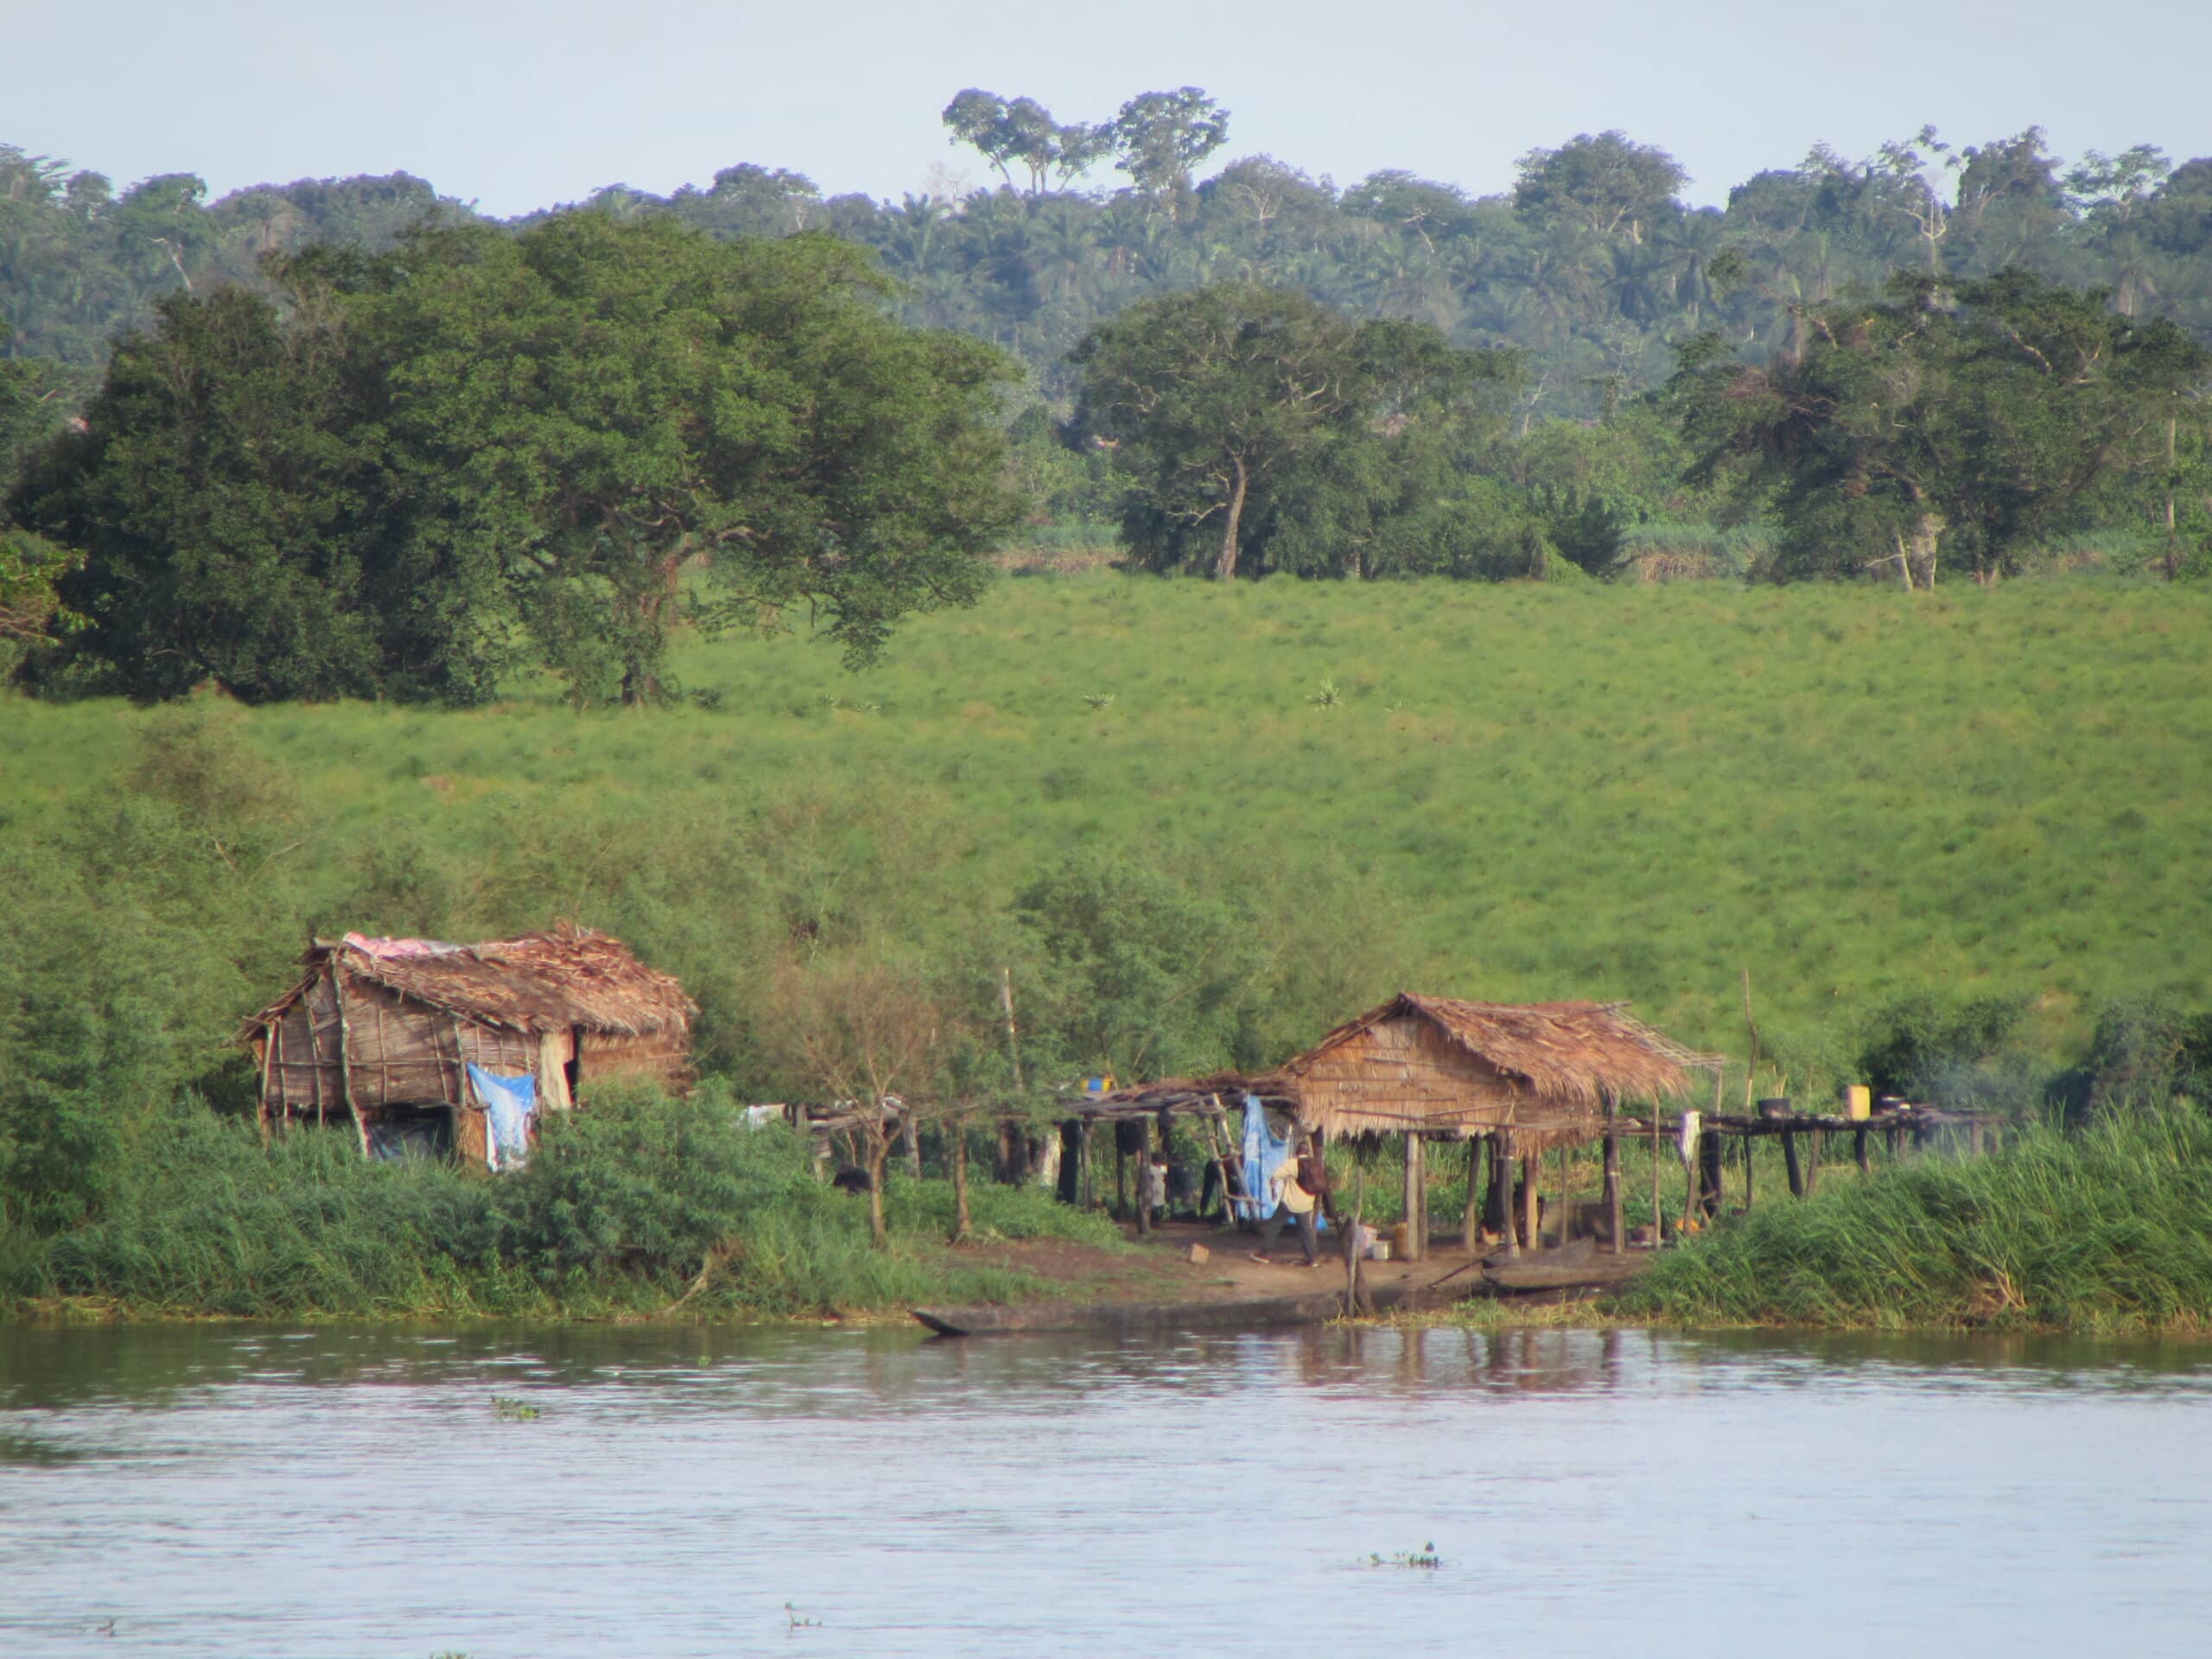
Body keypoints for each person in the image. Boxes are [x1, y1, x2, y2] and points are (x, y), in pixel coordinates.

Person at [1252, 1133, 1333, 1267]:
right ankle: (1312, 1259)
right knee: (1305, 1231)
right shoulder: (1316, 1164)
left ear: (1297, 1151)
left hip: (1289, 1203)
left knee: (1274, 1225)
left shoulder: (1294, 1163)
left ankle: (1264, 1254)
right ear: (1308, 1152)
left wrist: (1273, 1187)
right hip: (1307, 1204)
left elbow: (1275, 1176)